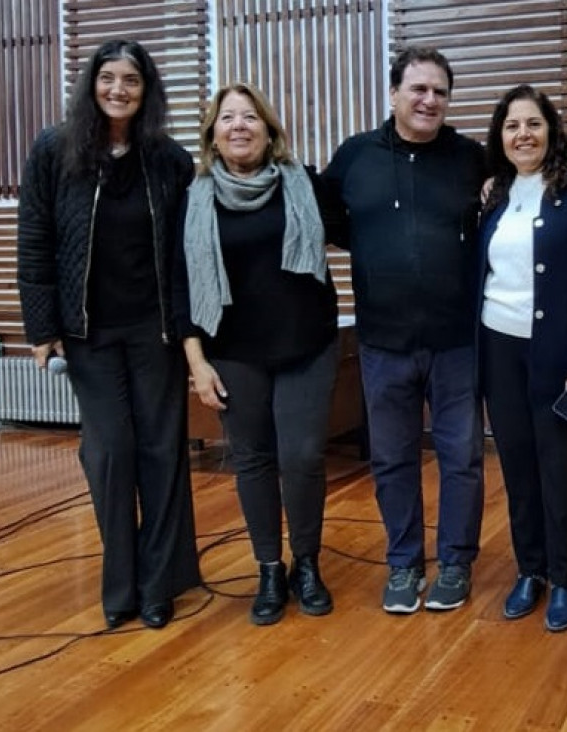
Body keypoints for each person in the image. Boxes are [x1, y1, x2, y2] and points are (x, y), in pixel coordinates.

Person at [16, 39, 200, 630]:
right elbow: (35, 241)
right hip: (87, 331)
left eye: (131, 80)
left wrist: (190, 332)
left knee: (161, 452)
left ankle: (158, 585)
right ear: (91, 84)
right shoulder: (54, 150)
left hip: (155, 329)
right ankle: (121, 584)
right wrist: (42, 327)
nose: (118, 89)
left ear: (147, 92)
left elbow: (186, 253)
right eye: (108, 77)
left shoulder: (168, 159)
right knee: (110, 452)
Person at [321, 46, 487, 614]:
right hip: (382, 341)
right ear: (393, 94)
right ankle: (404, 563)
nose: (429, 100)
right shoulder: (355, 156)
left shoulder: (472, 158)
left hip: (457, 341)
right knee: (392, 458)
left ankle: (456, 562)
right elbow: (329, 219)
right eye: (418, 88)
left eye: (440, 91)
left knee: (461, 457)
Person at [172, 83, 340, 627]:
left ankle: (307, 564)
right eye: (227, 118)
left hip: (307, 343)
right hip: (232, 351)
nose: (239, 126)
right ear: (213, 136)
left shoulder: (304, 184)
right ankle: (269, 568)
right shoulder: (194, 199)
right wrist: (196, 363)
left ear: (269, 132)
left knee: (303, 456)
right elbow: (181, 285)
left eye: (250, 117)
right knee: (252, 459)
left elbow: (360, 223)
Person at [479, 85, 567, 632]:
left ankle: (566, 576)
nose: (523, 135)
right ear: (500, 136)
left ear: (552, 130)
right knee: (517, 466)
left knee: (562, 468)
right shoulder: (494, 193)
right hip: (499, 349)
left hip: (563, 357)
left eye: (533, 124)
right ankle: (531, 569)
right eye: (512, 126)